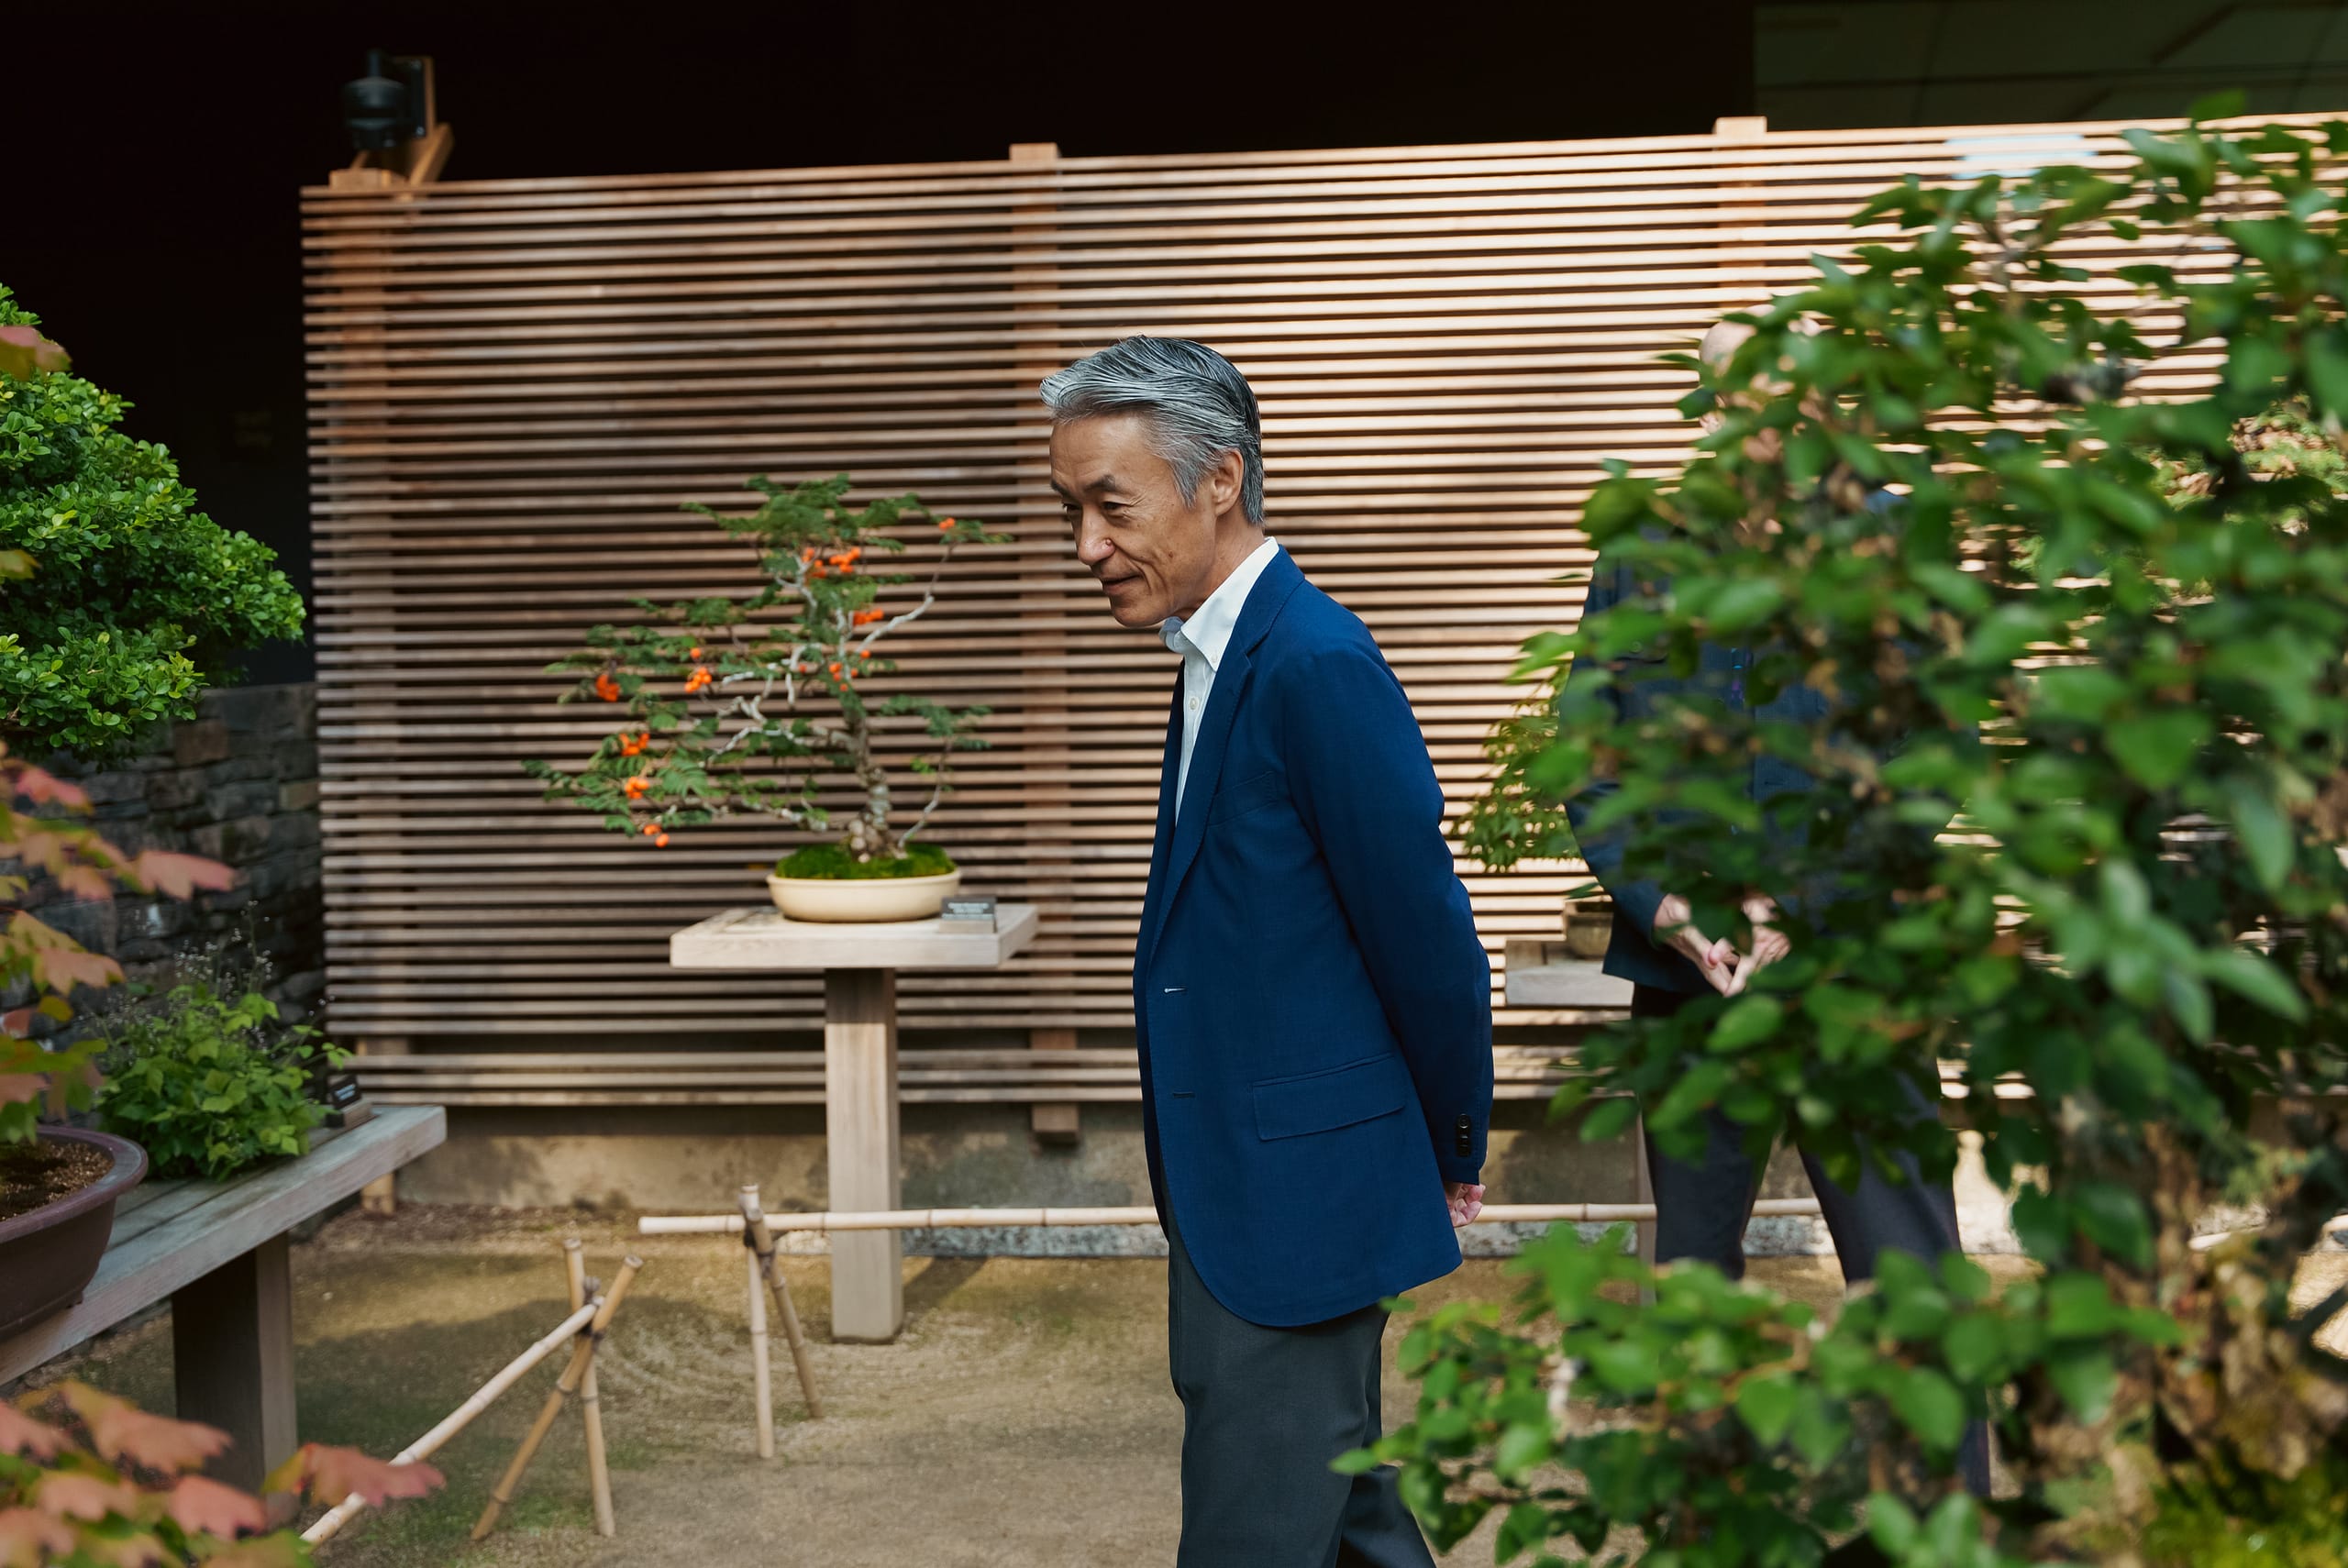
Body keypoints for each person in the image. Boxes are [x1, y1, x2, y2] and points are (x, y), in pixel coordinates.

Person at [1042, 336, 1494, 1566]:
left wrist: (1453, 1140)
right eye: (1068, 509)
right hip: (1241, 1184)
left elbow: (1426, 934)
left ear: (1220, 479)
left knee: (1254, 1532)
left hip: (1304, 1200)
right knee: (1348, 1518)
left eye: (1110, 506)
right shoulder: (1214, 651)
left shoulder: (1313, 662)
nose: (1086, 545)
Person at [1564, 319, 1990, 1492]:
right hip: (1687, 986)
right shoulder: (1642, 551)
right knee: (1696, 1277)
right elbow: (1590, 763)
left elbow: (1939, 754)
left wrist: (1799, 900)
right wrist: (1668, 906)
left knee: (1909, 1271)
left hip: (1855, 979)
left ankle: (1946, 1524)